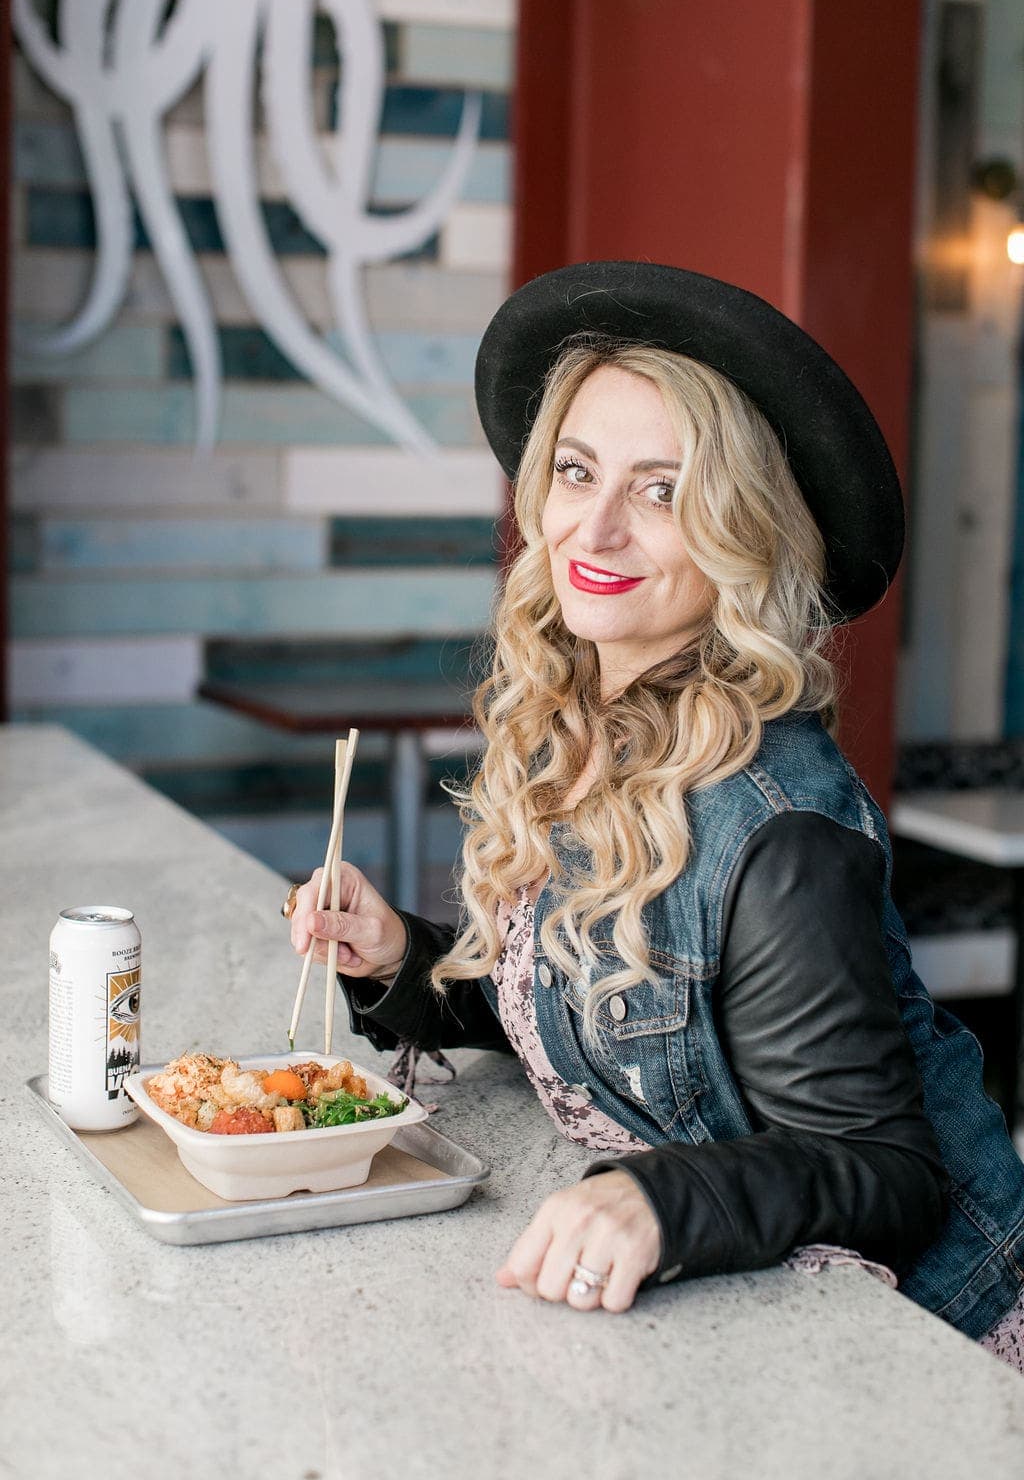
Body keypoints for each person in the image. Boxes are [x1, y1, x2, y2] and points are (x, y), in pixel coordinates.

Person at [287, 261, 1024, 1366]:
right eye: (577, 471)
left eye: (663, 491)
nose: (597, 528)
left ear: (743, 533)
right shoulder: (588, 723)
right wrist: (402, 960)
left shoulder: (777, 826)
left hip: (919, 1353)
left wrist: (663, 1200)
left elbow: (882, 1169)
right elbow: (616, 1021)